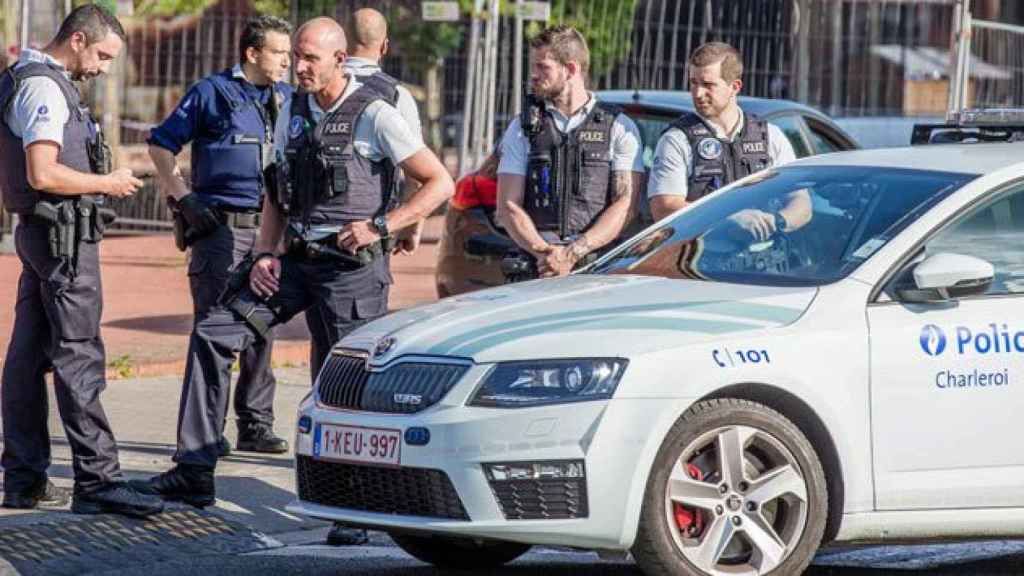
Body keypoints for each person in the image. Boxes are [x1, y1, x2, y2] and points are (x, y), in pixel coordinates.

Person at [135, 17, 453, 511]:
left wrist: (384, 226)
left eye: (309, 58)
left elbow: (439, 182)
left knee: (346, 379)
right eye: (295, 56)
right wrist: (265, 252)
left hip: (351, 270)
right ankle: (193, 470)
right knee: (215, 331)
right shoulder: (293, 109)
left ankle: (355, 503)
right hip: (295, 261)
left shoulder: (375, 113)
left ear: (339, 61)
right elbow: (276, 191)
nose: (297, 67)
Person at [0, 4, 163, 518]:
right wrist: (107, 183)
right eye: (103, 56)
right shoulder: (44, 87)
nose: (103, 68)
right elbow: (43, 172)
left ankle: (23, 478)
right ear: (77, 40)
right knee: (79, 354)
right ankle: (98, 480)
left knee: (27, 359)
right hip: (61, 240)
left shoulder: (25, 79)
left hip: (42, 235)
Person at [147, 15, 293, 458]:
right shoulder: (211, 93)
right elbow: (160, 144)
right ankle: (207, 433)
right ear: (252, 53)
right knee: (215, 329)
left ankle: (256, 423)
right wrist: (184, 197)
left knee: (263, 326)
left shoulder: (288, 97)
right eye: (279, 53)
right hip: (222, 232)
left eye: (290, 54)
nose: (287, 62)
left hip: (270, 232)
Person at [318, 7, 427, 546]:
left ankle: (335, 486)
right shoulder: (394, 96)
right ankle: (353, 502)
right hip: (364, 246)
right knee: (359, 372)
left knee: (327, 369)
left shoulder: (315, 88)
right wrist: (408, 228)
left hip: (307, 251)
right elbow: (418, 172)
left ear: (345, 47)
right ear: (383, 47)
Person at [496, 25, 643, 279]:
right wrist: (545, 254)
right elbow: (507, 205)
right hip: (537, 265)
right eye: (533, 66)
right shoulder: (522, 127)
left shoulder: (618, 126)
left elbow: (625, 206)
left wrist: (573, 253)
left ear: (571, 69)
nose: (533, 75)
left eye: (543, 67)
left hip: (594, 266)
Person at [647, 41, 811, 237]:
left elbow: (802, 202)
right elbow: (664, 208)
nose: (698, 93)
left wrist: (775, 221)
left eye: (708, 85)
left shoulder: (770, 135)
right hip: (704, 262)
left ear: (735, 87)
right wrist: (727, 218)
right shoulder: (677, 139)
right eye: (693, 83)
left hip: (767, 262)